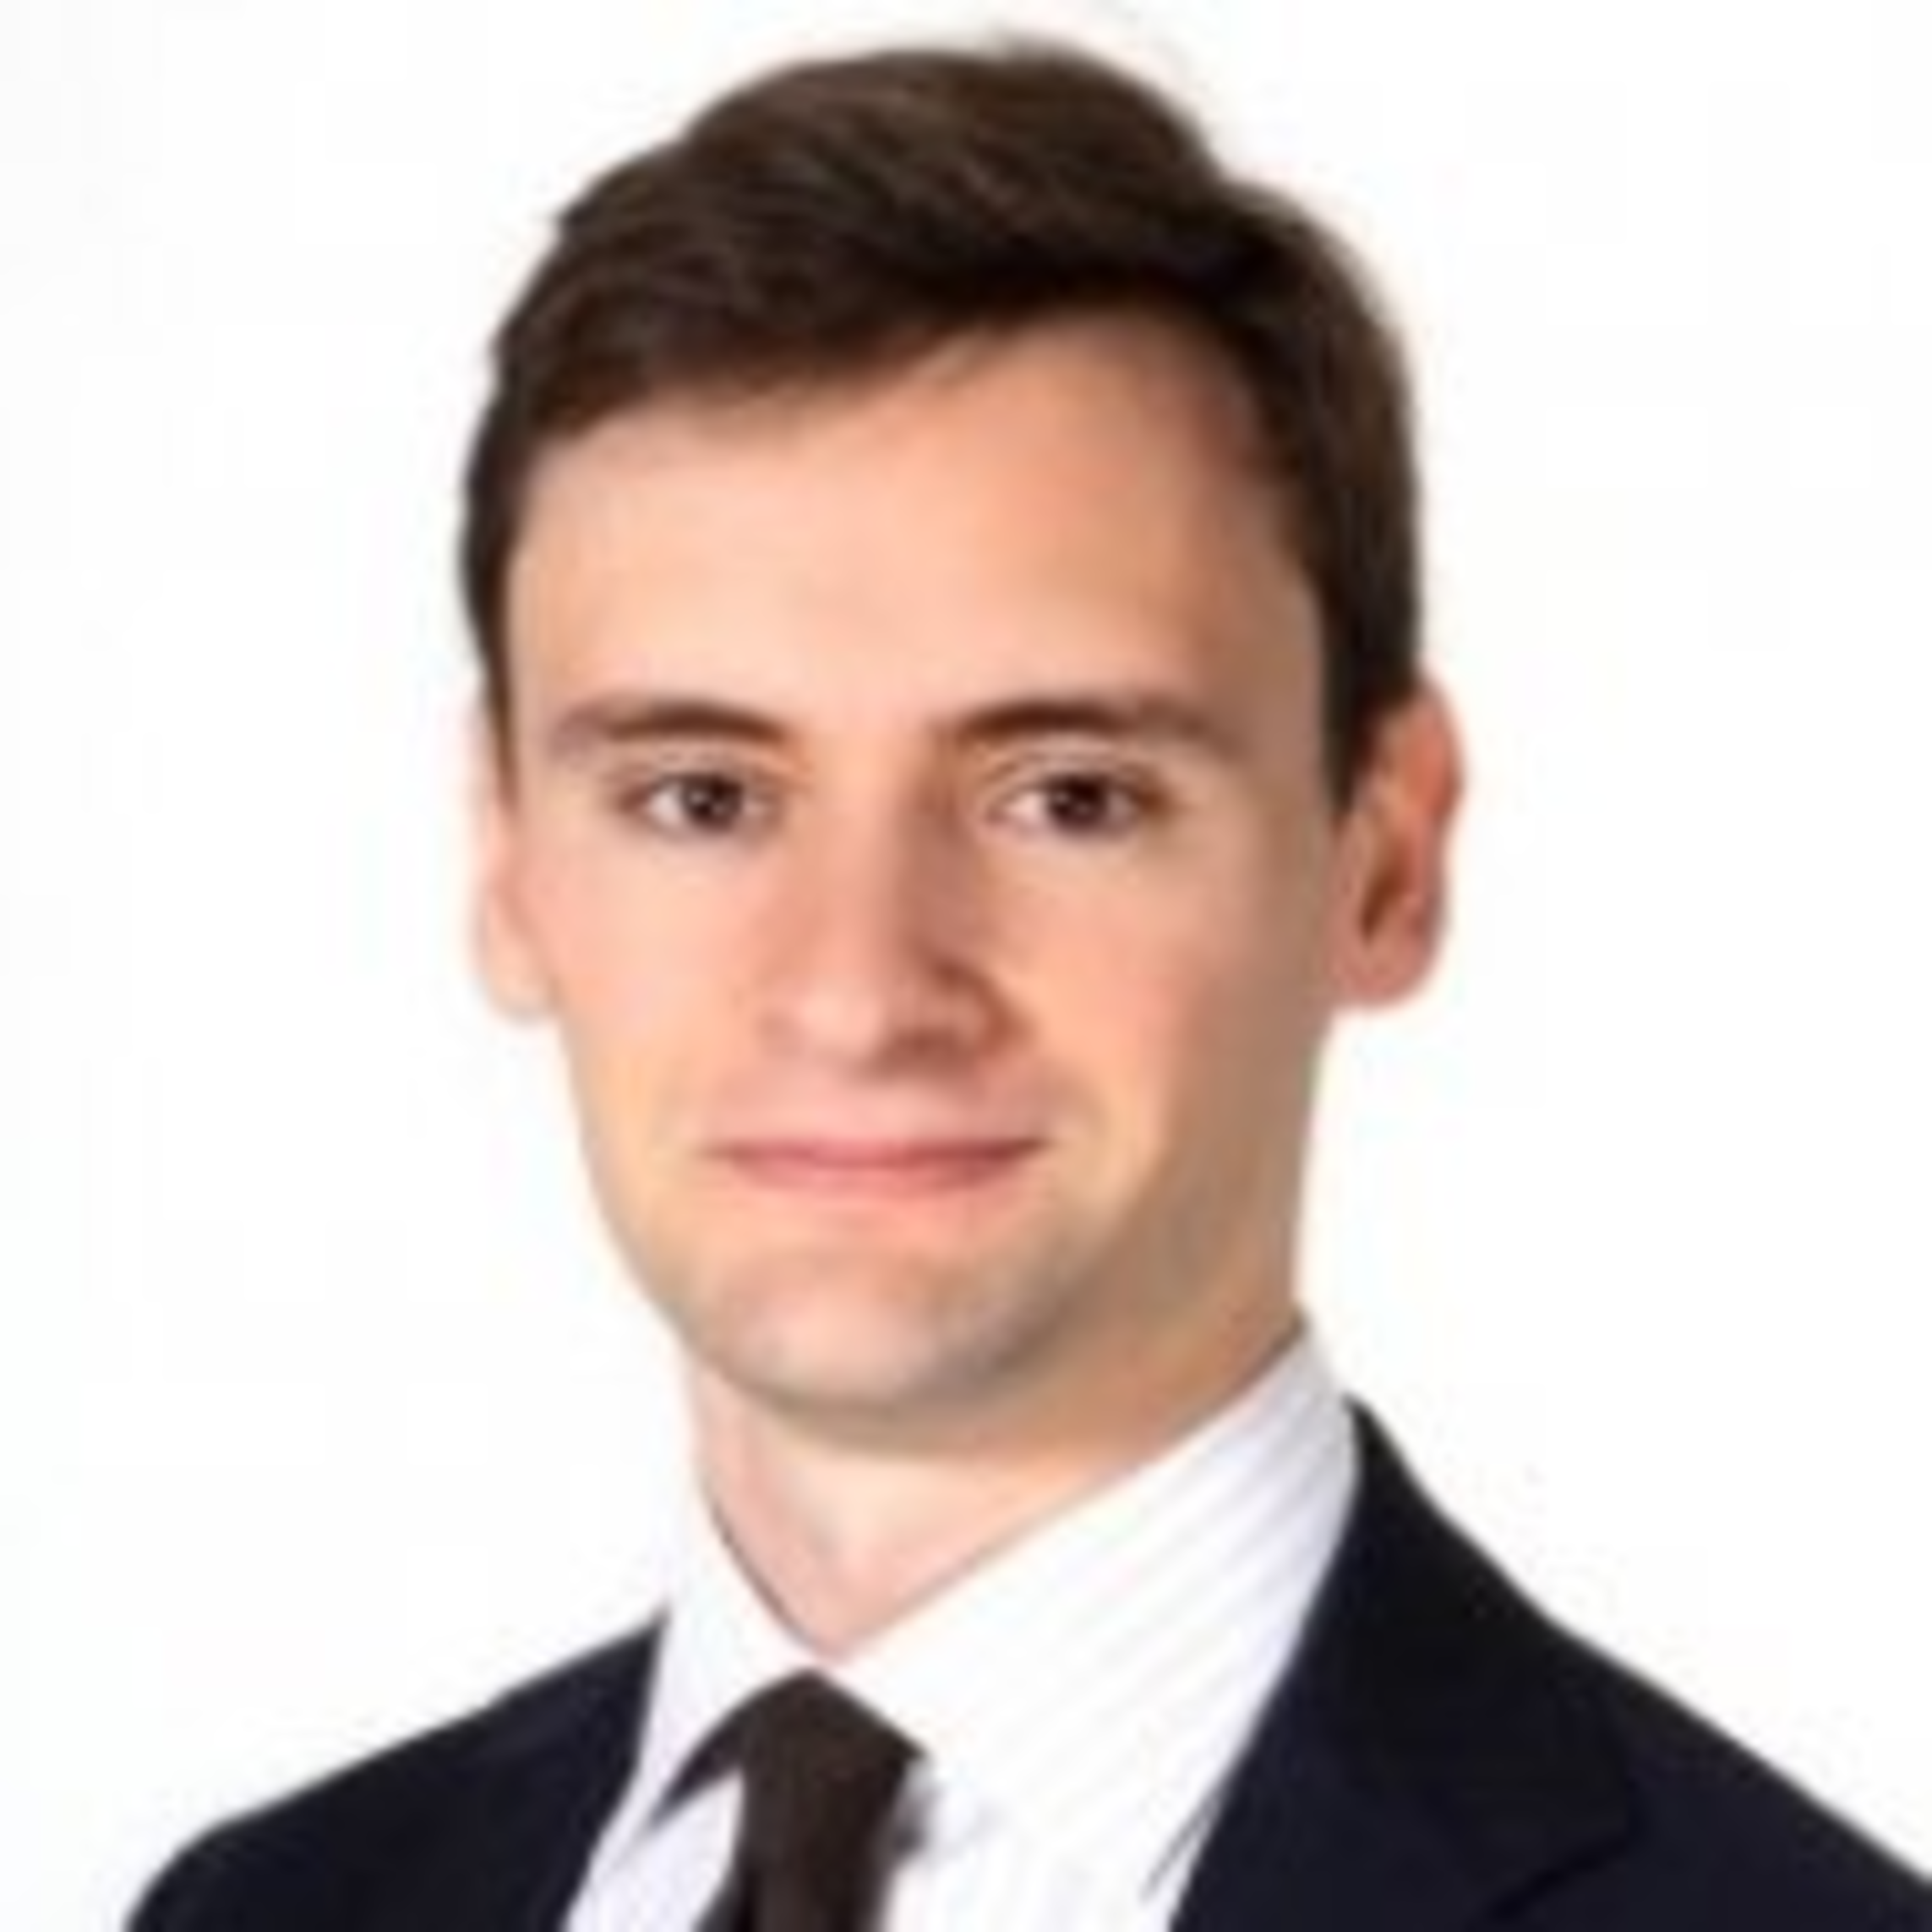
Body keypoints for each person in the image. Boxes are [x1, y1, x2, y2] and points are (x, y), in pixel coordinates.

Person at [133, 36, 1927, 1932]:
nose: (857, 991)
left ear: (1386, 856)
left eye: (1068, 794)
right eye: (700, 795)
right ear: (506, 858)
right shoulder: (268, 1908)